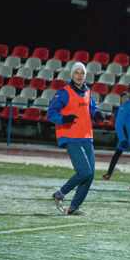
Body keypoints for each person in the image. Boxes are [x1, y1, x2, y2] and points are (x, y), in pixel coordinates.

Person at [47, 61, 105, 215]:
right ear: (71, 75)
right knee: (84, 172)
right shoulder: (64, 92)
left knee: (90, 175)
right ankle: (59, 194)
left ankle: (73, 207)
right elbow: (51, 113)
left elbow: (92, 108)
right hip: (70, 136)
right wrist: (63, 118)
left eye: (82, 73)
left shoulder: (87, 92)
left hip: (86, 136)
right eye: (76, 73)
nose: (79, 76)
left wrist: (97, 114)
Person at [102, 91, 130, 180]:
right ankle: (109, 173)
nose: (125, 99)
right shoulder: (119, 109)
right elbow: (117, 123)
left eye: (127, 97)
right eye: (123, 97)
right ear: (121, 99)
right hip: (124, 135)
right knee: (116, 155)